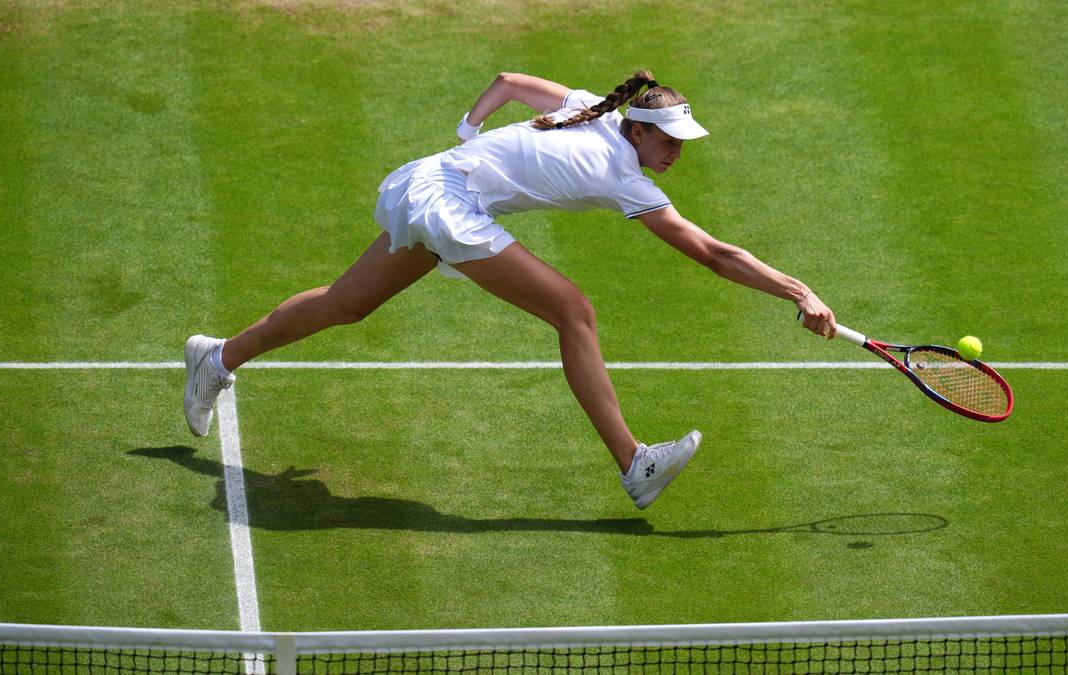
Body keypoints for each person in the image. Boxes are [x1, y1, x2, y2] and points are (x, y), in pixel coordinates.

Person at [184, 70, 837, 510]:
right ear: (637, 129)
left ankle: (216, 357)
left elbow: (508, 82)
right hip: (451, 200)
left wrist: (469, 129)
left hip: (435, 180)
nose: (675, 151)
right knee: (573, 309)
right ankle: (635, 463)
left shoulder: (592, 106)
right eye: (666, 139)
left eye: (682, 142)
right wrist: (799, 291)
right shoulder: (626, 178)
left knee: (344, 305)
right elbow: (715, 254)